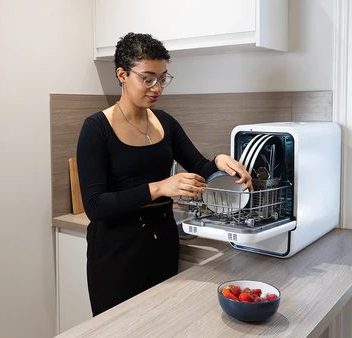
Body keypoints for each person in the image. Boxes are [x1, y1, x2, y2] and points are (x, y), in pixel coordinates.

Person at [76, 32, 252, 316]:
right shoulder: (96, 128)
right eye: (147, 78)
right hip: (115, 252)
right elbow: (95, 206)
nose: (157, 87)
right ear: (122, 74)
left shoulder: (166, 123)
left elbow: (202, 168)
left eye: (162, 78)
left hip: (162, 245)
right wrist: (158, 188)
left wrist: (220, 161)